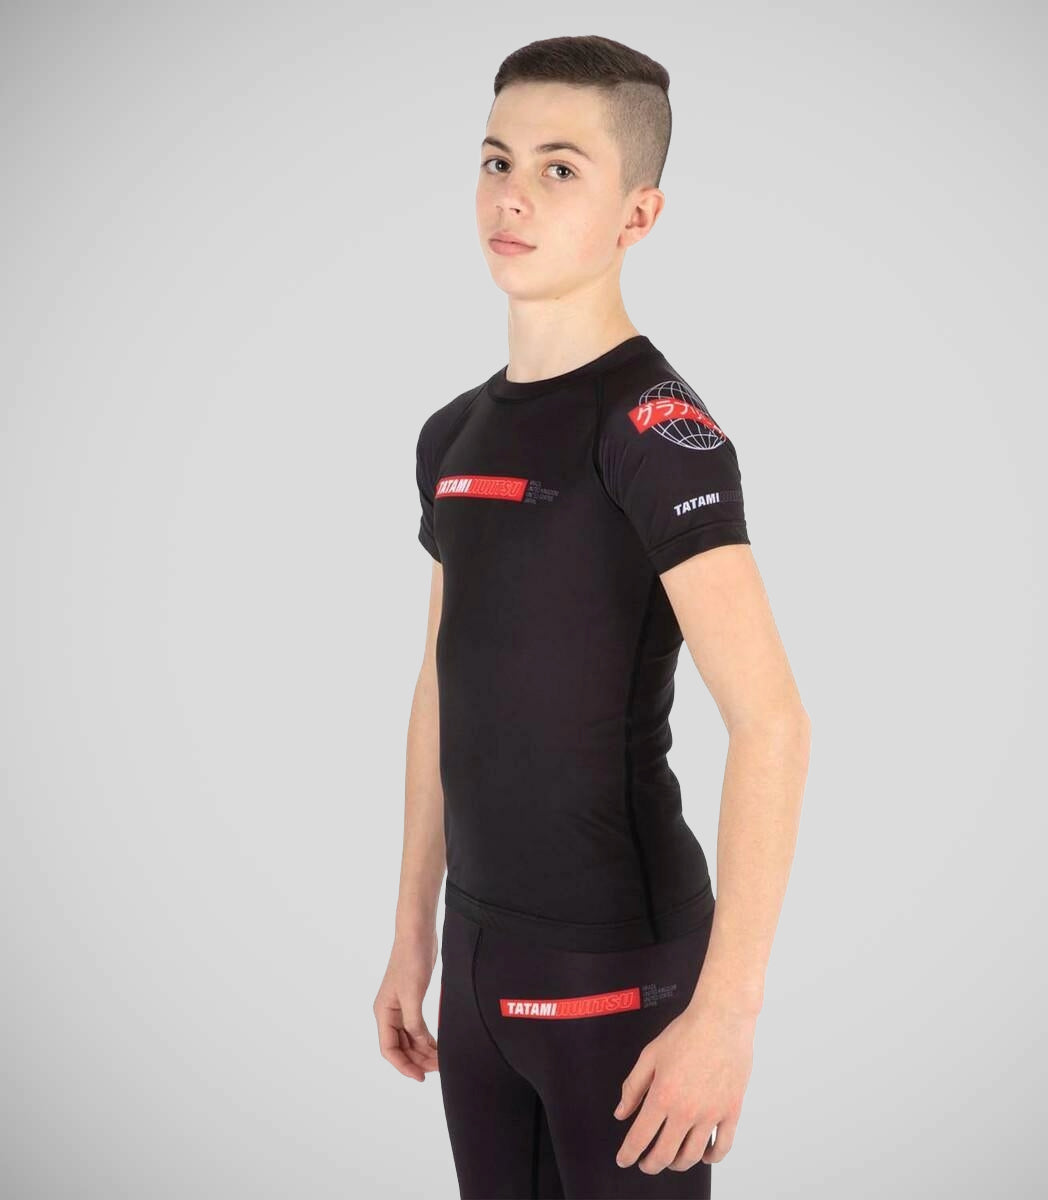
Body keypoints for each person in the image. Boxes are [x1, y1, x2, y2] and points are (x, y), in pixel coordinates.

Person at [373, 34, 812, 1199]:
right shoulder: (452, 434)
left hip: (618, 969)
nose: (511, 195)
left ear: (639, 214)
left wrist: (725, 1015)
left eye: (560, 168)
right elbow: (443, 681)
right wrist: (413, 931)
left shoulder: (656, 429)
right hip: (477, 961)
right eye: (496, 160)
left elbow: (772, 723)